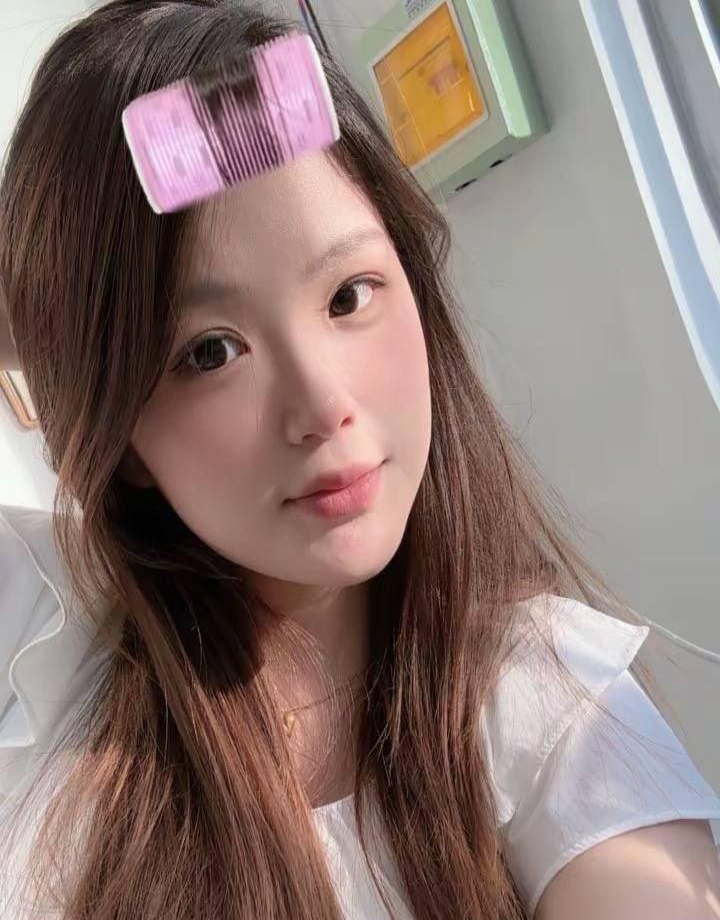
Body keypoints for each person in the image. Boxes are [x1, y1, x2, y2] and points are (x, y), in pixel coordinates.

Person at [0, 2, 718, 918]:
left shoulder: (546, 702)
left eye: (348, 295)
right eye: (210, 352)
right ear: (118, 430)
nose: (322, 405)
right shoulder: (43, 638)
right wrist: (66, 268)